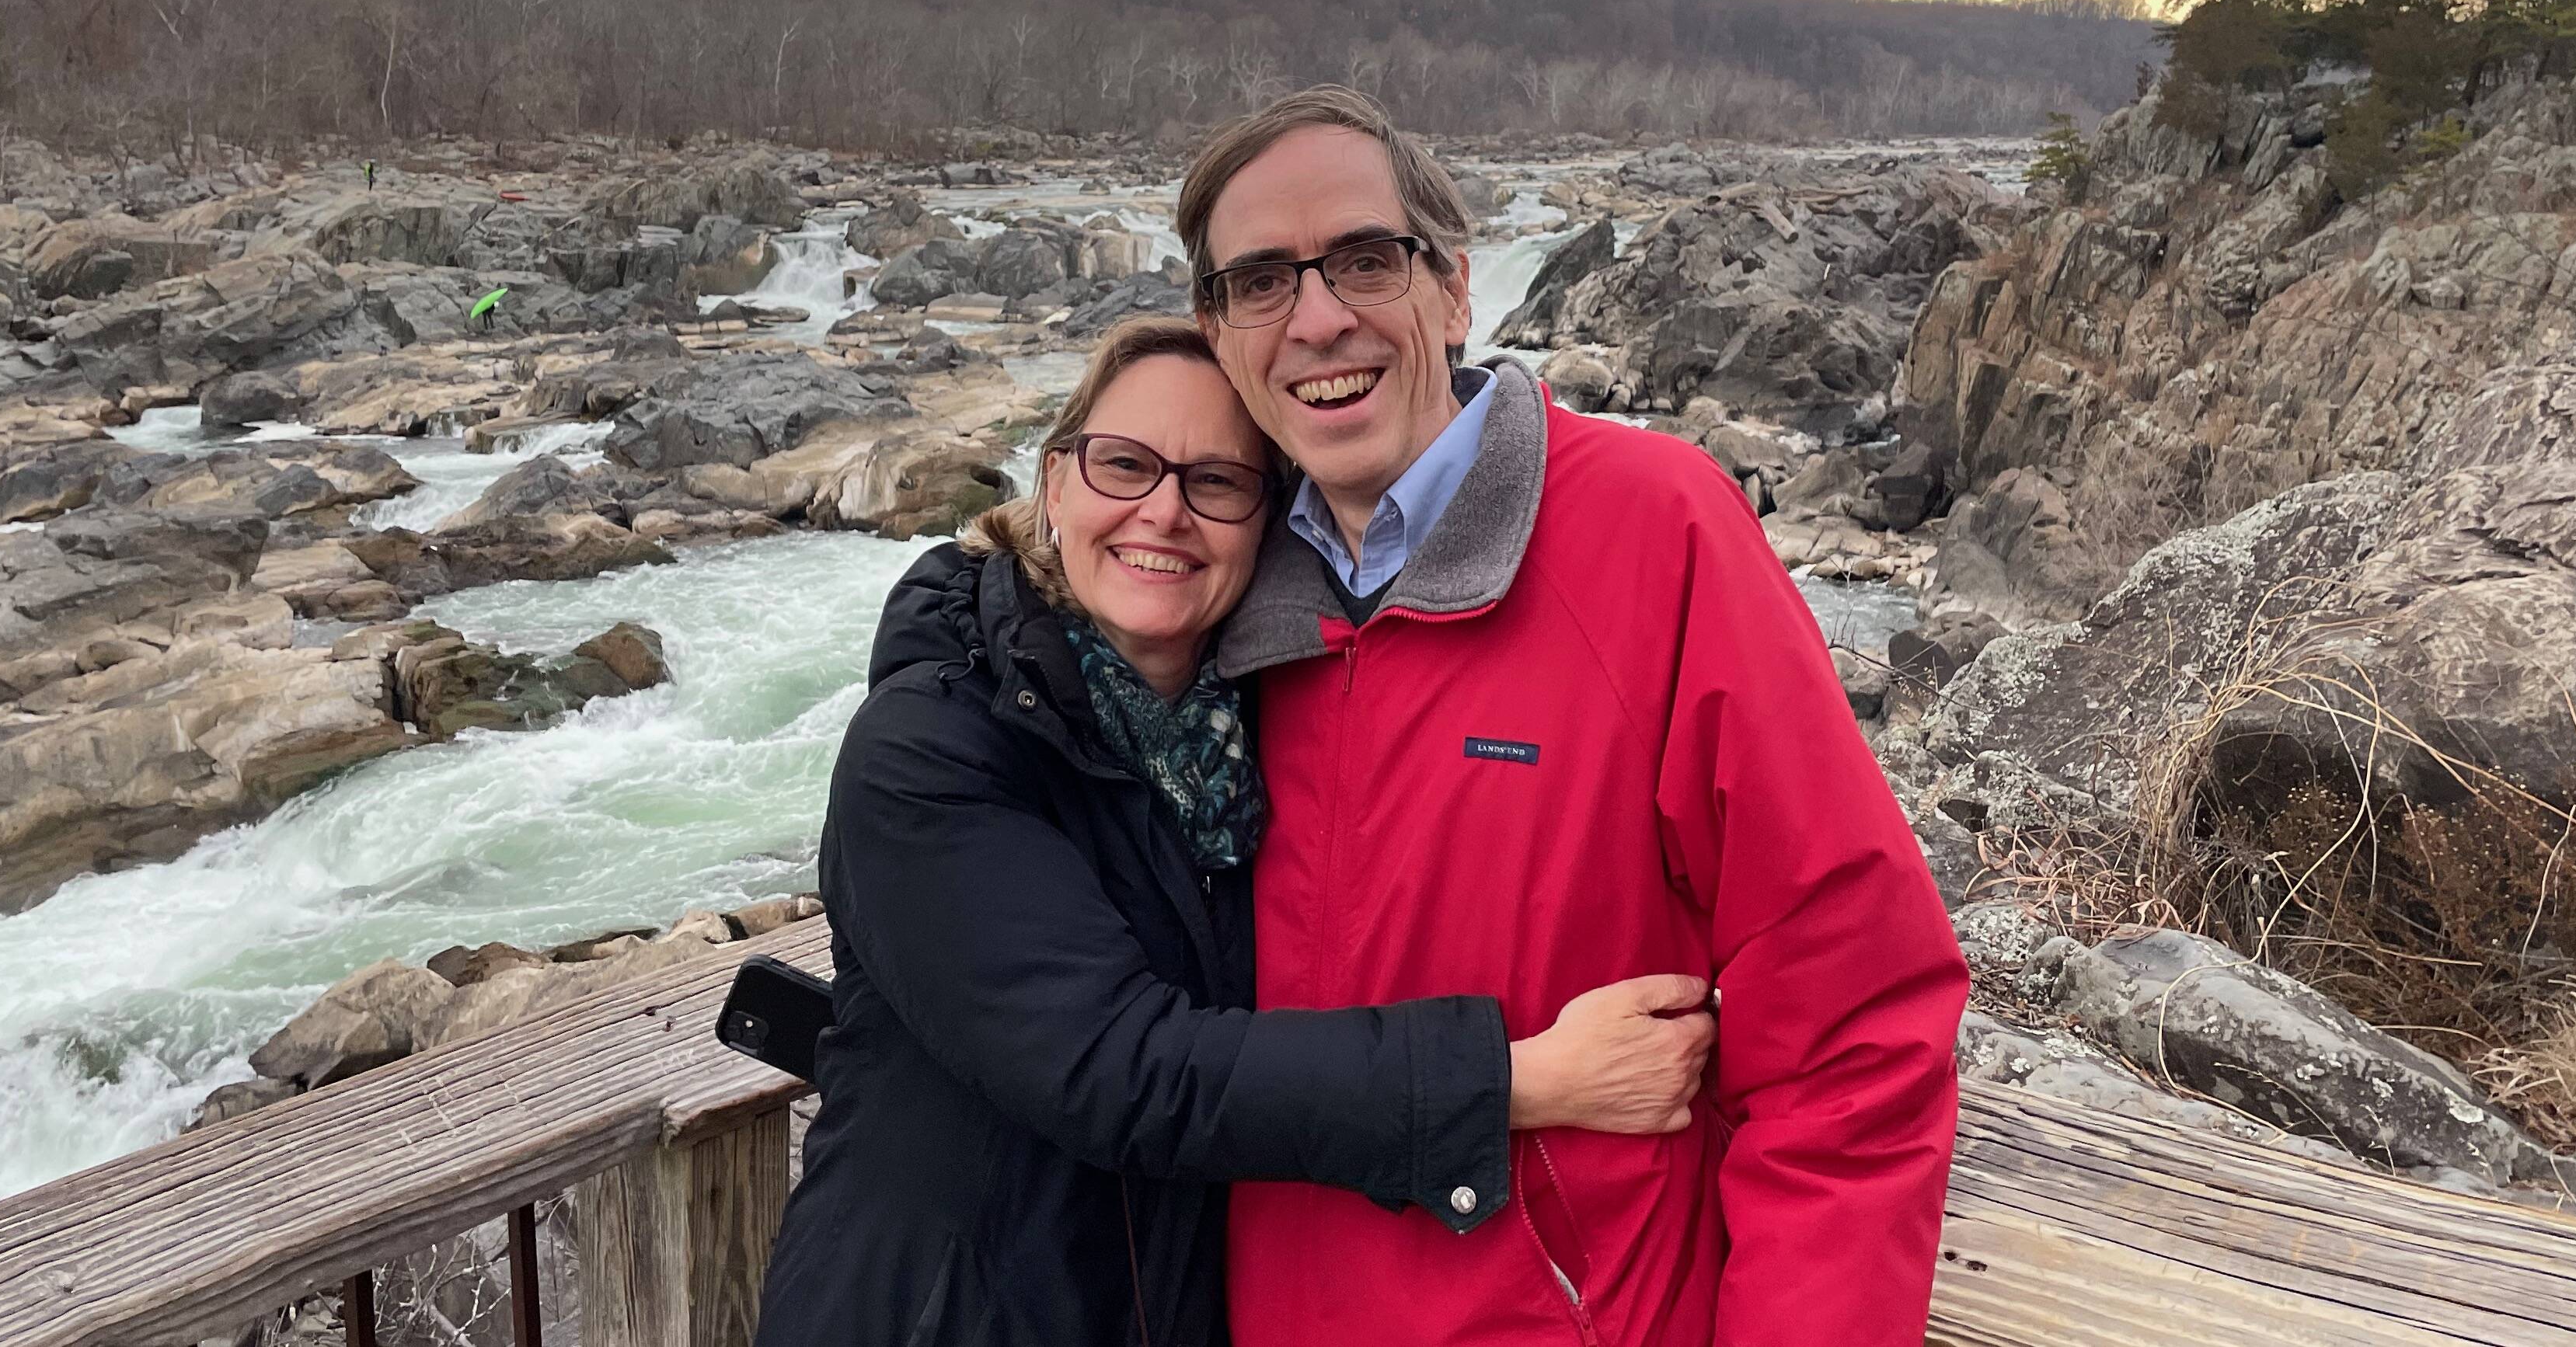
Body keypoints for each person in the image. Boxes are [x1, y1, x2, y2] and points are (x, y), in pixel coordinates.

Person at [754, 317, 1720, 1347]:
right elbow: (1119, 1069)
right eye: (1125, 465)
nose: (1163, 512)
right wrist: (1522, 1081)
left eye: (1216, 481)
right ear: (1057, 482)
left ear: (1270, 523)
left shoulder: (1254, 731)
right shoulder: (928, 748)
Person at [1180, 89, 1970, 1345]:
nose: (1319, 318)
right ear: (1217, 333)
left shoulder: (1656, 532)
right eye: (1263, 281)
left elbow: (1851, 1034)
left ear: (1453, 290)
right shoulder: (1197, 601)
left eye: (1365, 263)